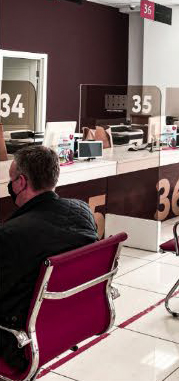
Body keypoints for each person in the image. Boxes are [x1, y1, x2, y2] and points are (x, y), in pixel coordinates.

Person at [0, 146, 98, 371]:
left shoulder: (12, 235)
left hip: (17, 340)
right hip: (67, 323)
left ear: (21, 182)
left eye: (11, 180)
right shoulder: (83, 212)